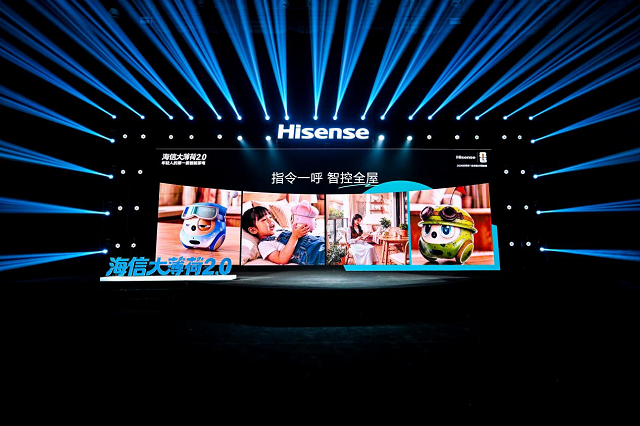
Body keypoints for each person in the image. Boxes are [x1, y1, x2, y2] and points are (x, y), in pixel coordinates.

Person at [242, 206, 325, 265]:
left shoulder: (281, 230)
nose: (270, 221)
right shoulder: (264, 244)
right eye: (264, 220)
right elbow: (281, 259)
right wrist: (294, 237)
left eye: (270, 217)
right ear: (253, 230)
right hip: (313, 252)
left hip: (318, 241)